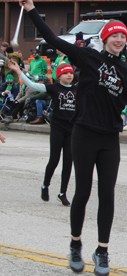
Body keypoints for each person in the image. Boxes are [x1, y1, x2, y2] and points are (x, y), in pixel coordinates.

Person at [18, 0, 127, 276]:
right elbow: (55, 39)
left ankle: (103, 250)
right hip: (83, 134)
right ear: (105, 38)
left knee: (107, 194)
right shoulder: (87, 58)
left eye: (122, 36)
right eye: (114, 35)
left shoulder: (126, 71)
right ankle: (75, 244)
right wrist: (32, 9)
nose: (119, 40)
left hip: (110, 138)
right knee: (82, 192)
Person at [9, 61, 77, 206]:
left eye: (71, 72)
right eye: (65, 73)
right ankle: (45, 185)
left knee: (68, 162)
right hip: (58, 128)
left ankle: (62, 193)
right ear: (59, 76)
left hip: (71, 130)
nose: (69, 75)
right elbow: (33, 85)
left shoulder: (78, 90)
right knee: (54, 160)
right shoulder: (54, 88)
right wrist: (18, 71)